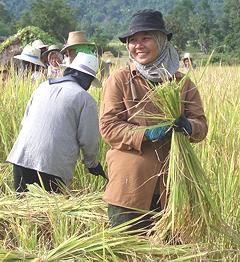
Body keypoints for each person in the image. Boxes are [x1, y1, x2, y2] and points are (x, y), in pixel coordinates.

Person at [99, 9, 208, 233]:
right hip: (129, 188)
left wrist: (188, 126)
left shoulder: (182, 83)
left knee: (168, 250)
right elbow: (108, 127)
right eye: (133, 40)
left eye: (145, 38)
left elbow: (201, 126)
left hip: (172, 189)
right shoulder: (121, 80)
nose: (138, 45)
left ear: (161, 40)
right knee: (125, 251)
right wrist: (146, 133)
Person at [7, 52, 106, 193]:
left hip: (22, 157)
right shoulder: (84, 98)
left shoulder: (43, 86)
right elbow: (89, 138)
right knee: (49, 212)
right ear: (87, 79)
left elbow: (25, 121)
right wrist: (92, 164)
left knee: (22, 207)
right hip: (53, 165)